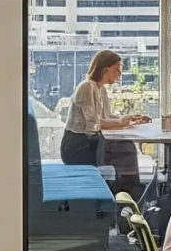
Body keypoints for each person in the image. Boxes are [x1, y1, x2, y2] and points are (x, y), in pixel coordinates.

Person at [61, 50, 147, 197]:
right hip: (77, 146)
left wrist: (128, 120)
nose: (120, 72)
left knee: (126, 147)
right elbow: (94, 123)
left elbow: (107, 117)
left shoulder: (101, 90)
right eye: (117, 67)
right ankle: (128, 195)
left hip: (91, 142)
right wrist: (120, 123)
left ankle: (126, 195)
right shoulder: (86, 87)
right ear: (106, 68)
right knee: (125, 149)